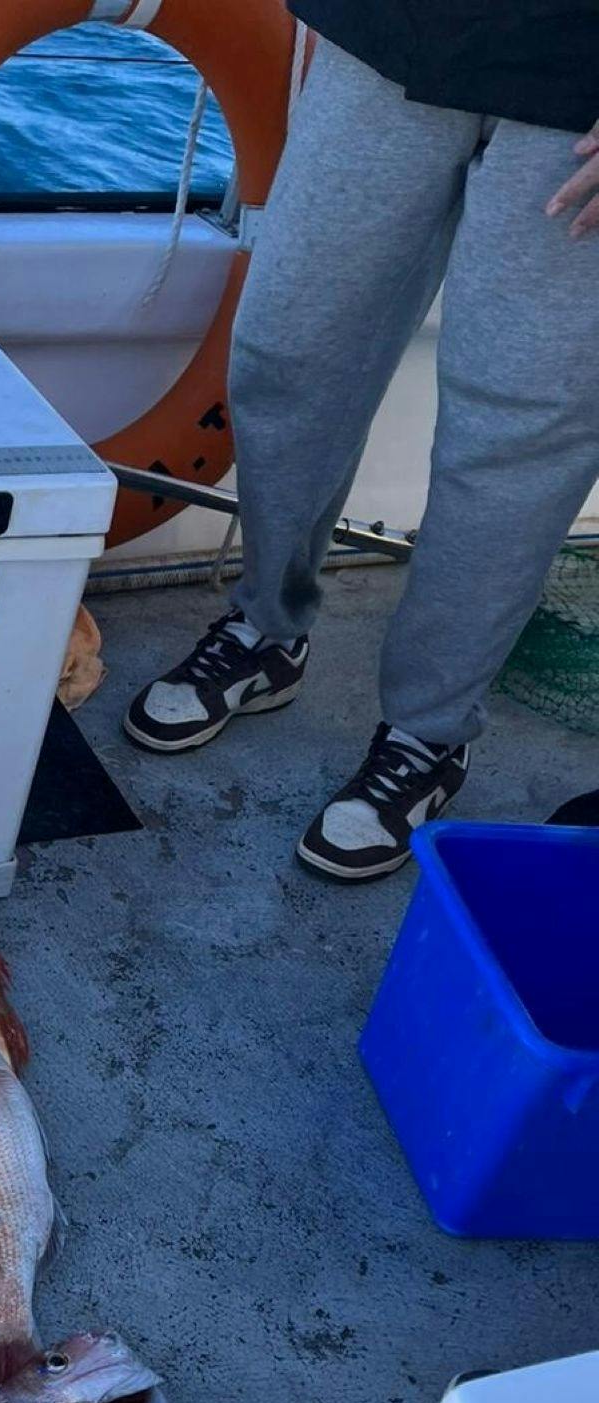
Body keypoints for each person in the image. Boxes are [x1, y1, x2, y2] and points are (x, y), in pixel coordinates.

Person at [123, 6, 599, 881]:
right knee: (288, 348)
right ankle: (267, 629)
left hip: (580, 93)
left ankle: (428, 732)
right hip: (387, 33)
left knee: (513, 435)